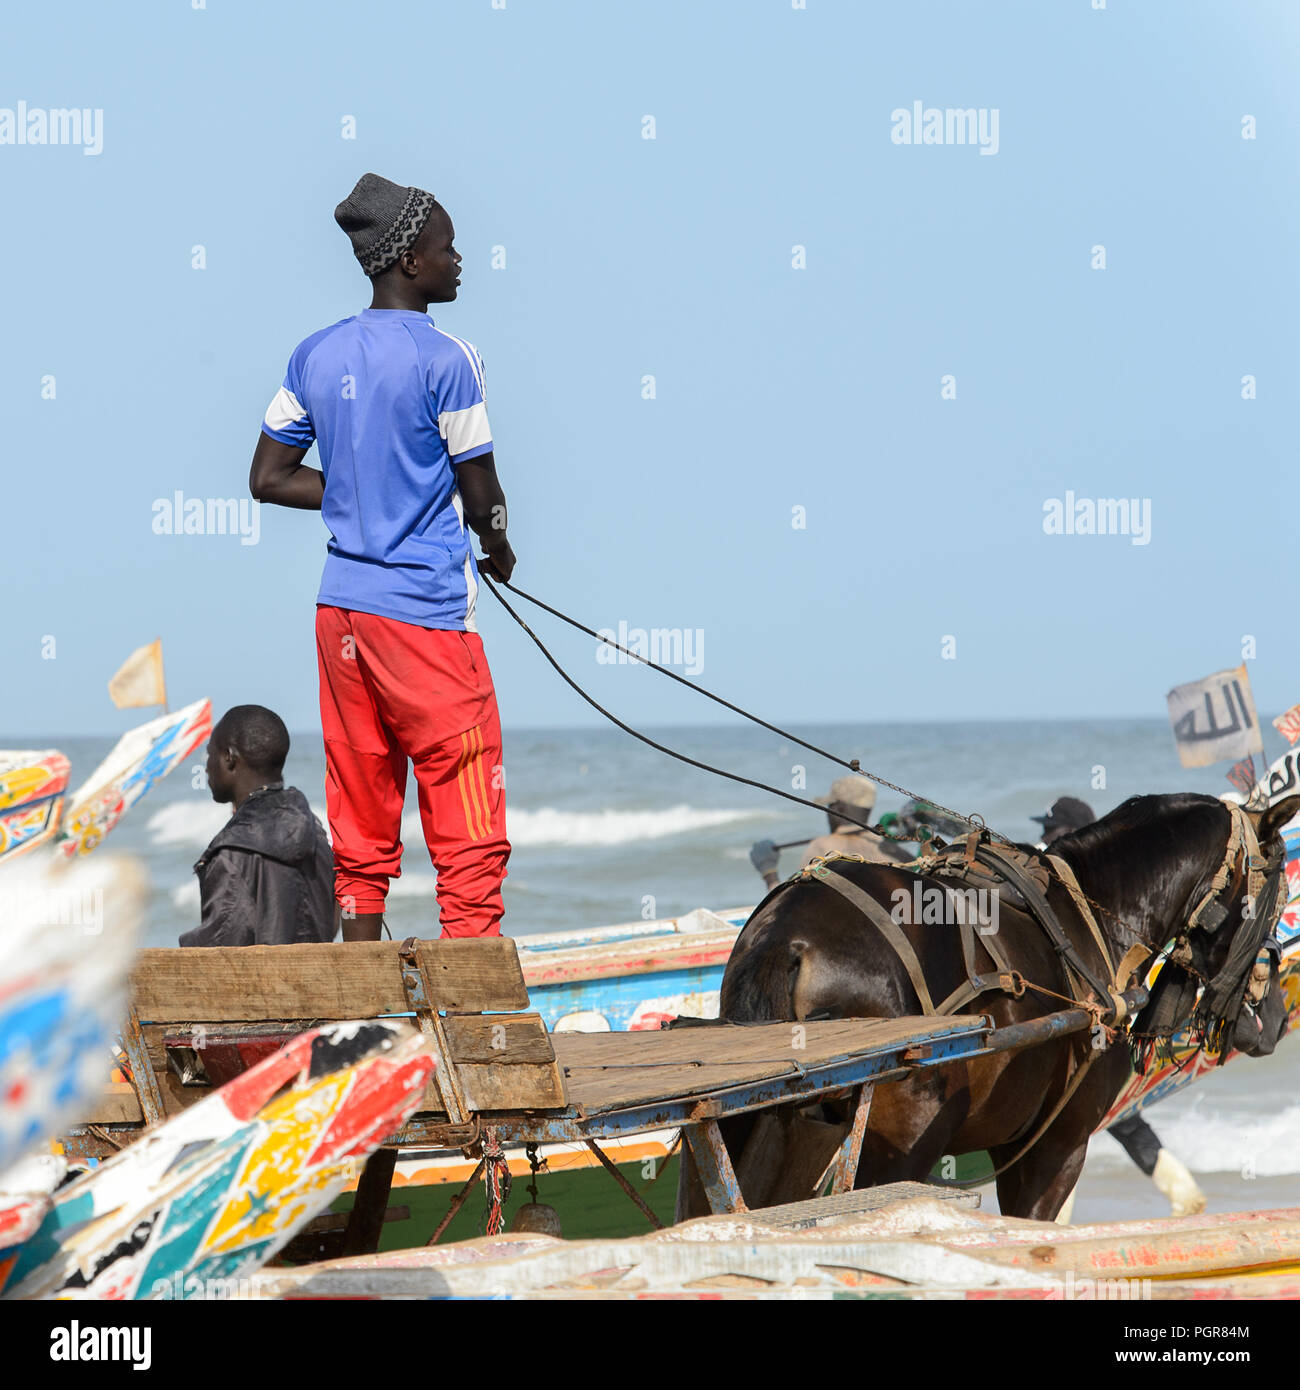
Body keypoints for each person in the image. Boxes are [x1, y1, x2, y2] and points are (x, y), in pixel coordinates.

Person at [249, 173, 514, 941]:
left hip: (342, 620)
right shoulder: (448, 358)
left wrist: (356, 495)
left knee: (362, 809)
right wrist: (497, 545)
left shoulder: (317, 353)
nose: (459, 259)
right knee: (466, 813)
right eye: (446, 248)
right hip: (426, 615)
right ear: (408, 262)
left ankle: (359, 1006)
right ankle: (477, 1016)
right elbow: (481, 487)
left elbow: (267, 477)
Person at [1030, 793, 1207, 1219]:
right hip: (1108, 1026)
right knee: (1115, 1117)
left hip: (1094, 1025)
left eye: (1049, 829)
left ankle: (1052, 1231)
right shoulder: (1108, 888)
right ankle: (1184, 1194)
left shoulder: (1068, 887)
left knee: (1065, 1128)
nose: (1042, 837)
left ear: (1069, 833)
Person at [180, 705, 335, 948]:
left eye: (209, 754)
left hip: (260, 986)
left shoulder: (232, 853)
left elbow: (219, 954)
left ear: (230, 758)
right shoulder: (316, 836)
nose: (207, 767)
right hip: (317, 983)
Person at [749, 775, 912, 892]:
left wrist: (769, 873)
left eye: (829, 807)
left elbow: (789, 904)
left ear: (839, 809)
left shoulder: (821, 847)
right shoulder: (894, 850)